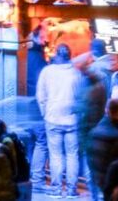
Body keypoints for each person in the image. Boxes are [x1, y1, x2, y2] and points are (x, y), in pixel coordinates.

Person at [35, 45, 84, 194]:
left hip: (53, 118)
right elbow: (81, 97)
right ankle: (71, 190)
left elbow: (41, 96)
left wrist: (45, 113)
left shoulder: (47, 72)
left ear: (57, 55)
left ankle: (56, 188)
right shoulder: (77, 73)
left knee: (55, 154)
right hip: (72, 120)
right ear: (69, 55)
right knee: (72, 154)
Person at [83, 99, 118, 200]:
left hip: (95, 177)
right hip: (110, 180)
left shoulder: (95, 130)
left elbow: (88, 154)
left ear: (107, 110)